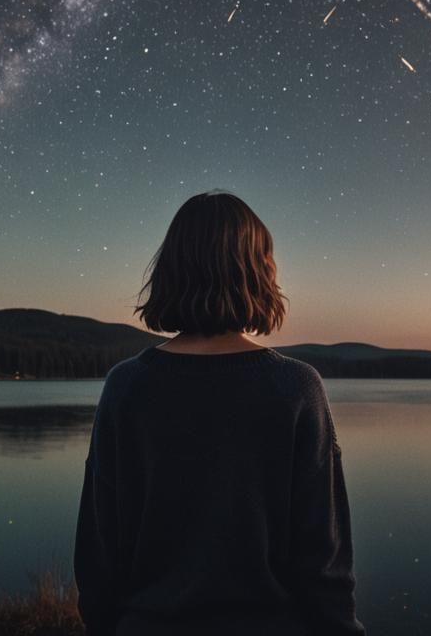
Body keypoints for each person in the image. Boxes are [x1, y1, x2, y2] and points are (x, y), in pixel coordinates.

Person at [75, 191, 364, 635]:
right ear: (258, 272)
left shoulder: (127, 386)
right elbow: (322, 562)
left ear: (171, 269)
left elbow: (99, 553)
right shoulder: (296, 388)